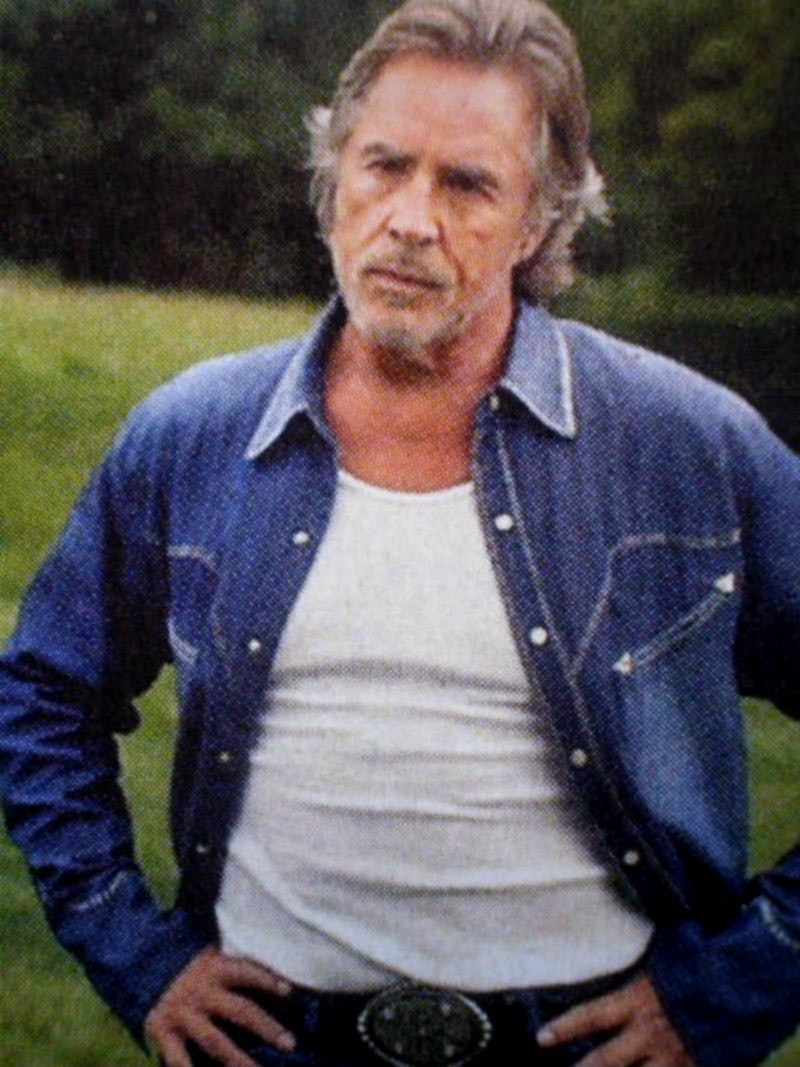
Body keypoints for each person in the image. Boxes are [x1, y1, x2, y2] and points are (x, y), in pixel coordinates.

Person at [1, 1, 800, 1065]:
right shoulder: (192, 434)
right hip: (271, 1041)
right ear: (334, 176)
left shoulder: (686, 442)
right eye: (384, 166)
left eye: (467, 184)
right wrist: (134, 951)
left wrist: (742, 980)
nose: (411, 219)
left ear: (537, 221)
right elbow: (44, 691)